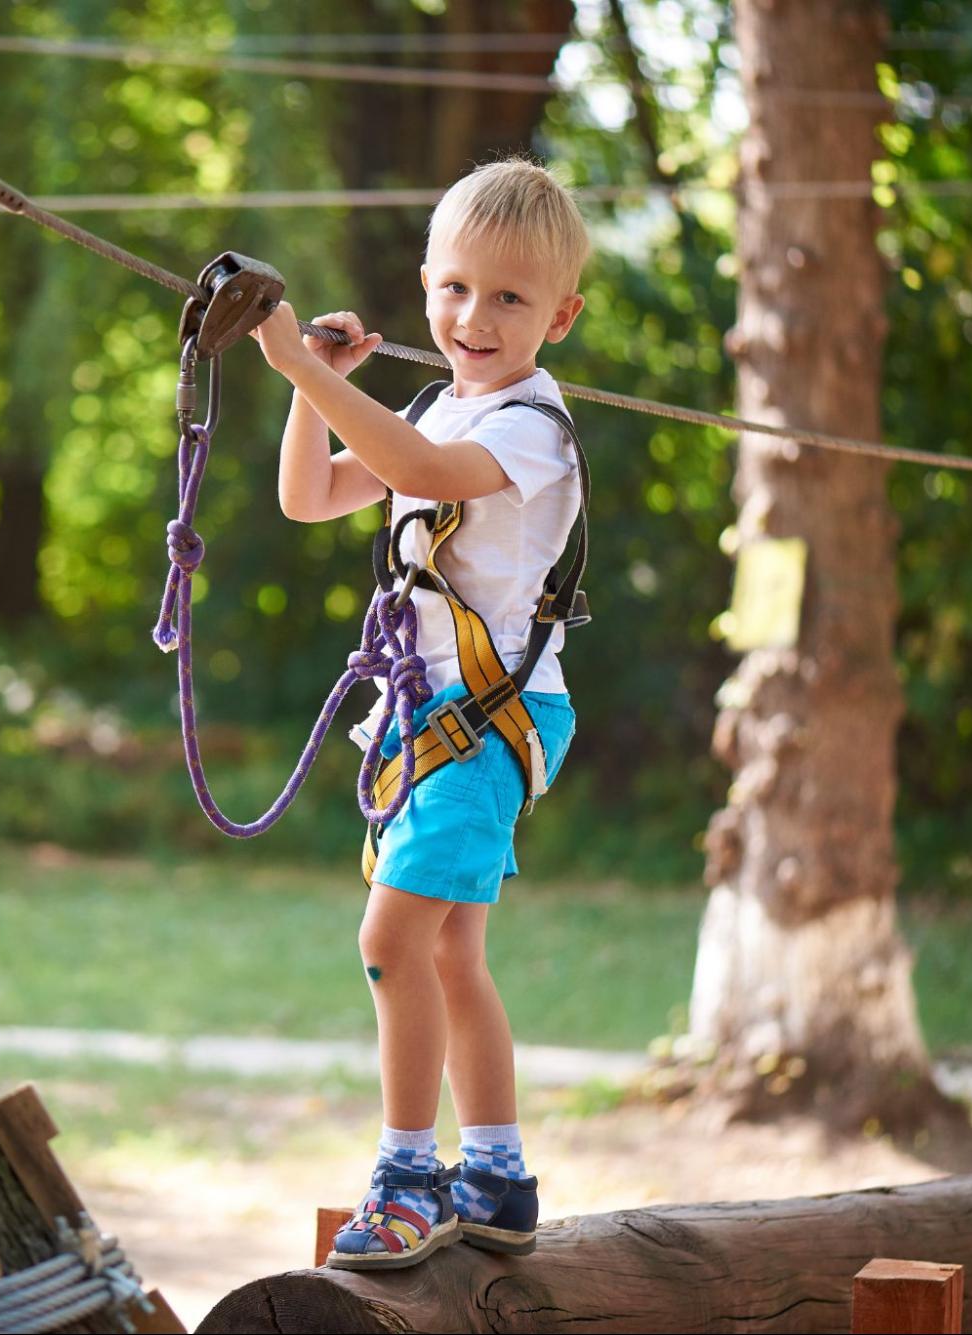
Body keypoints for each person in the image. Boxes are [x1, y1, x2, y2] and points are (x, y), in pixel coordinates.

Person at [249, 158, 591, 1269]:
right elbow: (312, 498)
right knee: (449, 958)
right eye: (453, 288)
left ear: (560, 316)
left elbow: (427, 476)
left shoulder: (529, 428)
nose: (472, 318)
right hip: (432, 716)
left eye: (508, 298)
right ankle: (493, 1174)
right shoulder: (434, 403)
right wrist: (311, 387)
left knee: (390, 940)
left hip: (489, 720)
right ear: (425, 284)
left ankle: (409, 1172)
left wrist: (306, 363)